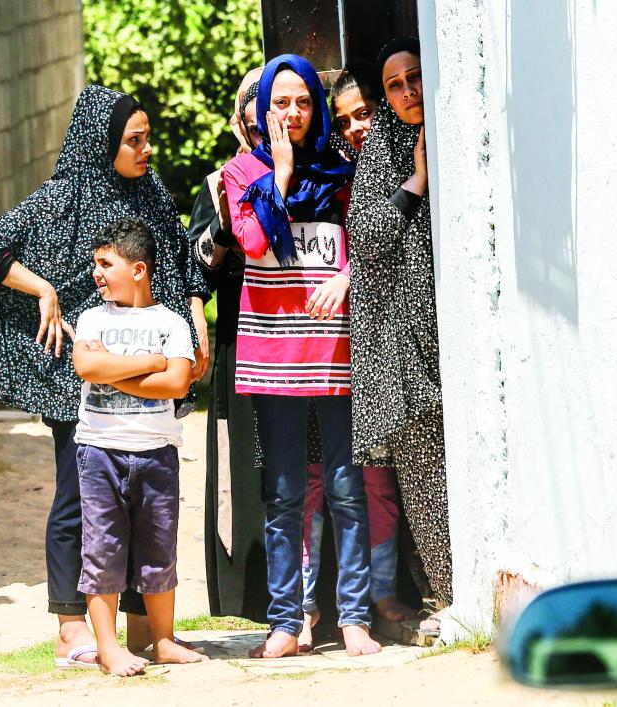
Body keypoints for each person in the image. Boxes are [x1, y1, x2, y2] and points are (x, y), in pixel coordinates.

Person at [0, 85, 209, 668]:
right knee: (81, 501)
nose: (147, 149)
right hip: (82, 377)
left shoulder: (148, 190)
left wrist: (196, 320)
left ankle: (146, 628)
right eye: (135, 140)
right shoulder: (64, 197)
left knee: (142, 499)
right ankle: (71, 625)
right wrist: (44, 288)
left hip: (148, 370)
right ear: (104, 143)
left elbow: (178, 257)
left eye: (147, 137)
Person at [221, 53, 381, 659]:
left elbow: (359, 244)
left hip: (334, 347)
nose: (291, 112)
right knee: (284, 491)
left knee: (345, 486)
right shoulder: (242, 173)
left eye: (302, 101)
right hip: (274, 352)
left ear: (316, 106)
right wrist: (281, 172)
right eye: (279, 101)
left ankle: (355, 620)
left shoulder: (341, 173)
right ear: (262, 110)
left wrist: (348, 276)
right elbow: (254, 240)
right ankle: (287, 621)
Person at [298, 62, 417, 653]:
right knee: (319, 480)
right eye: (343, 120)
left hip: (374, 346)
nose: (354, 129)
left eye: (362, 114)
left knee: (376, 479)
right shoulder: (326, 175)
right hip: (321, 349)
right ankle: (308, 608)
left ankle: (384, 595)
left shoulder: (394, 163)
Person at [346, 38, 454, 626]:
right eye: (395, 84)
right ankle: (444, 593)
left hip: (452, 330)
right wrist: (416, 180)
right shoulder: (383, 149)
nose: (409, 91)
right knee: (420, 468)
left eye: (416, 77)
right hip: (402, 341)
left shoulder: (457, 125)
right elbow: (368, 238)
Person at [72, 218, 206, 675]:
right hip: (99, 453)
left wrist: (119, 369)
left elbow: (175, 381)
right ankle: (109, 648)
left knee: (158, 550)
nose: (97, 273)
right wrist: (149, 360)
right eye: (96, 264)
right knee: (102, 550)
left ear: (138, 269)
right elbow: (87, 366)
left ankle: (163, 640)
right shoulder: (91, 318)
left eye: (105, 264)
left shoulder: (171, 321)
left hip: (156, 454)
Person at [193, 69, 274, 625]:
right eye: (250, 113)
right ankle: (250, 593)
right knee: (245, 465)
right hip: (240, 340)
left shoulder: (309, 172)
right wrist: (225, 227)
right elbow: (198, 264)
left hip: (298, 336)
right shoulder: (221, 181)